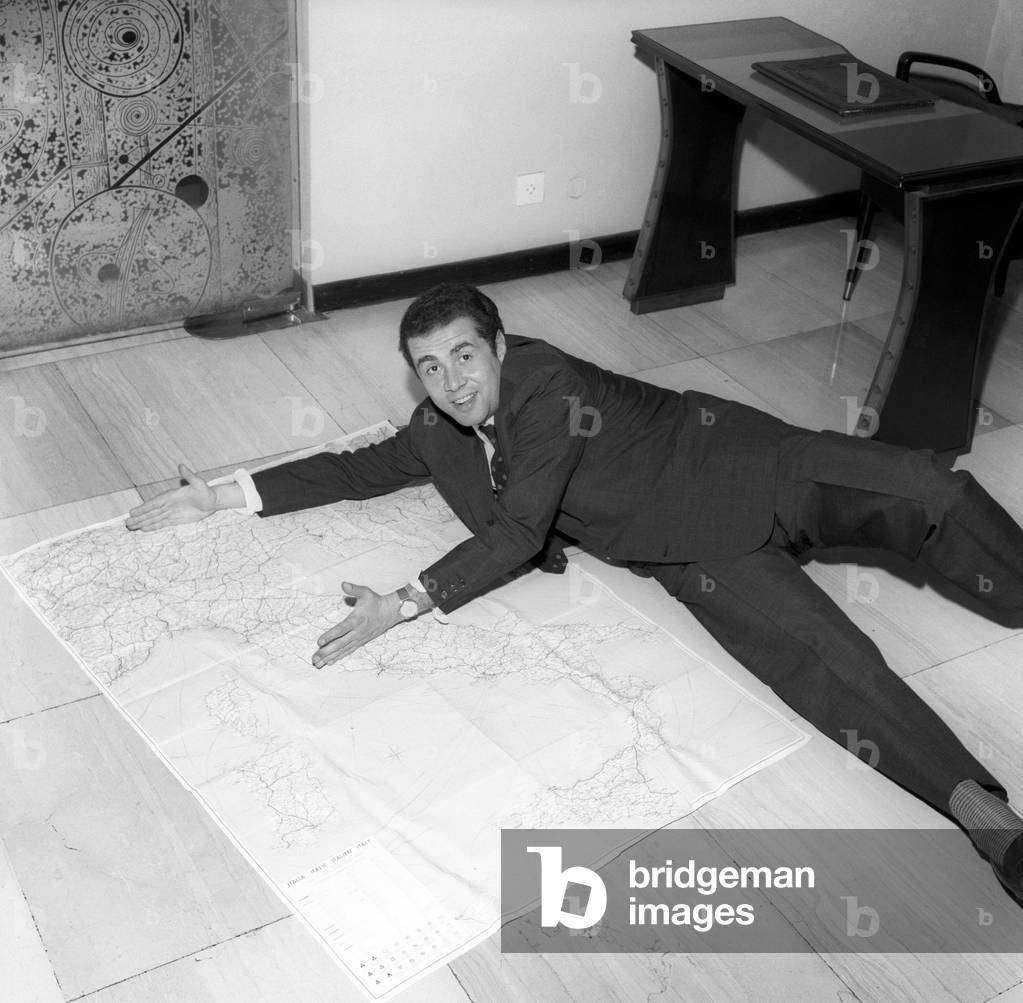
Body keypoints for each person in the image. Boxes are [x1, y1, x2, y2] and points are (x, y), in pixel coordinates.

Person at [126, 281, 1023, 902]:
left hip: (755, 463)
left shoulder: (544, 383)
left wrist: (401, 603)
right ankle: (986, 818)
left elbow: (518, 533)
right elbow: (356, 469)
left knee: (928, 491)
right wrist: (223, 492)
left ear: (500, 346)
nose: (451, 383)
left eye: (463, 357)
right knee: (831, 664)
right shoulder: (439, 428)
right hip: (687, 550)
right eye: (428, 368)